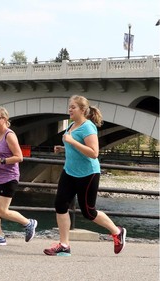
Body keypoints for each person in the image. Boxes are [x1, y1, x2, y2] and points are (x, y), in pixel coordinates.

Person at [43, 95, 126, 256]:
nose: (70, 109)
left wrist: (72, 142)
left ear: (82, 110)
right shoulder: (72, 125)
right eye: (69, 106)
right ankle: (64, 245)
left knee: (89, 212)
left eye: (73, 107)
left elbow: (94, 153)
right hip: (70, 171)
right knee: (60, 205)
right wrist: (64, 148)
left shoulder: (88, 127)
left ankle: (117, 231)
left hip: (88, 174)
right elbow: (78, 148)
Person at [0, 107, 37, 246]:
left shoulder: (10, 135)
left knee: (2, 211)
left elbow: (19, 157)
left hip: (9, 177)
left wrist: (0, 161)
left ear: (5, 119)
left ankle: (29, 223)